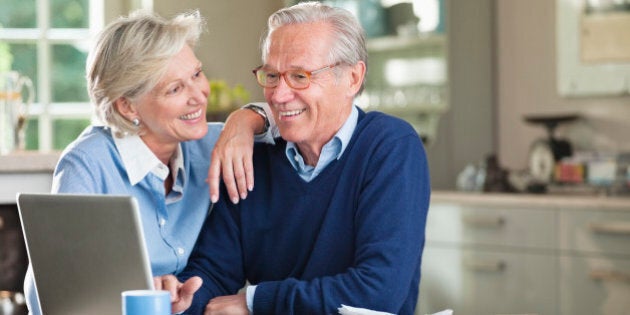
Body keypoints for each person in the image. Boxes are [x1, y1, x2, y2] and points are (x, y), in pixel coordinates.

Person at [159, 2, 431, 314]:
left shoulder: (389, 146)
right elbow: (213, 272)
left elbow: (378, 292)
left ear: (353, 79)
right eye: (271, 75)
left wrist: (254, 302)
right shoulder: (255, 156)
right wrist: (180, 298)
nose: (277, 94)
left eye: (300, 76)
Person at [23, 10, 276, 315]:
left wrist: (245, 119)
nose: (199, 95)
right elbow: (51, 292)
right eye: (175, 89)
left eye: (196, 74)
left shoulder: (213, 142)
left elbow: (290, 121)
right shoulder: (88, 164)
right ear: (128, 106)